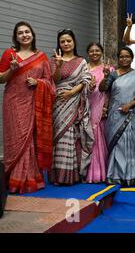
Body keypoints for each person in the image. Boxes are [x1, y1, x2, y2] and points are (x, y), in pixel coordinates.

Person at [0, 22, 55, 193]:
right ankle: (14, 178)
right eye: (20, 33)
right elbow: (1, 79)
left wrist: (37, 82)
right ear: (15, 37)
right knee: (17, 139)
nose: (24, 35)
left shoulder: (42, 57)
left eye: (27, 32)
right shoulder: (10, 54)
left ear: (32, 34)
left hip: (33, 101)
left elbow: (50, 82)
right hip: (13, 101)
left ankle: (30, 178)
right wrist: (11, 69)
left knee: (30, 138)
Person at [50, 29, 94, 185]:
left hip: (73, 100)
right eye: (62, 41)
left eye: (68, 40)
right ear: (59, 44)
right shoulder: (54, 60)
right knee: (58, 136)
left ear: (74, 42)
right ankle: (57, 175)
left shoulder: (81, 61)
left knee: (70, 135)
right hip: (57, 103)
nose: (66, 43)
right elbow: (54, 80)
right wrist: (59, 65)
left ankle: (70, 176)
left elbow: (85, 81)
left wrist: (71, 92)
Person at [99, 47, 135, 186]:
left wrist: (129, 105)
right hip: (115, 114)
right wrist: (106, 76)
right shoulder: (113, 74)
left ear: (132, 59)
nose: (124, 59)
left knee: (130, 144)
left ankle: (130, 175)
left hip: (131, 114)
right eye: (121, 56)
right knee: (116, 145)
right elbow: (102, 89)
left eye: (127, 56)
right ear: (118, 58)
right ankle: (114, 175)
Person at [85, 43, 113, 183]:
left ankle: (99, 172)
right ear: (87, 53)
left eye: (97, 50)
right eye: (91, 51)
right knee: (86, 137)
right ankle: (85, 170)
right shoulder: (83, 69)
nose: (94, 53)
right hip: (85, 104)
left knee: (99, 137)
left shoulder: (109, 69)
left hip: (100, 105)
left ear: (102, 52)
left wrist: (105, 107)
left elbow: (109, 91)